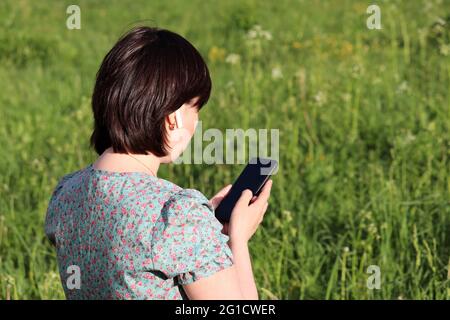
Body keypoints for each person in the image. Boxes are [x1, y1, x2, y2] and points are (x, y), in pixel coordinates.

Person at [45, 26, 272, 300]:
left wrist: (205, 230)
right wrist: (237, 239)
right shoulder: (177, 215)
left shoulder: (65, 195)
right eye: (195, 108)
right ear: (172, 117)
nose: (197, 122)